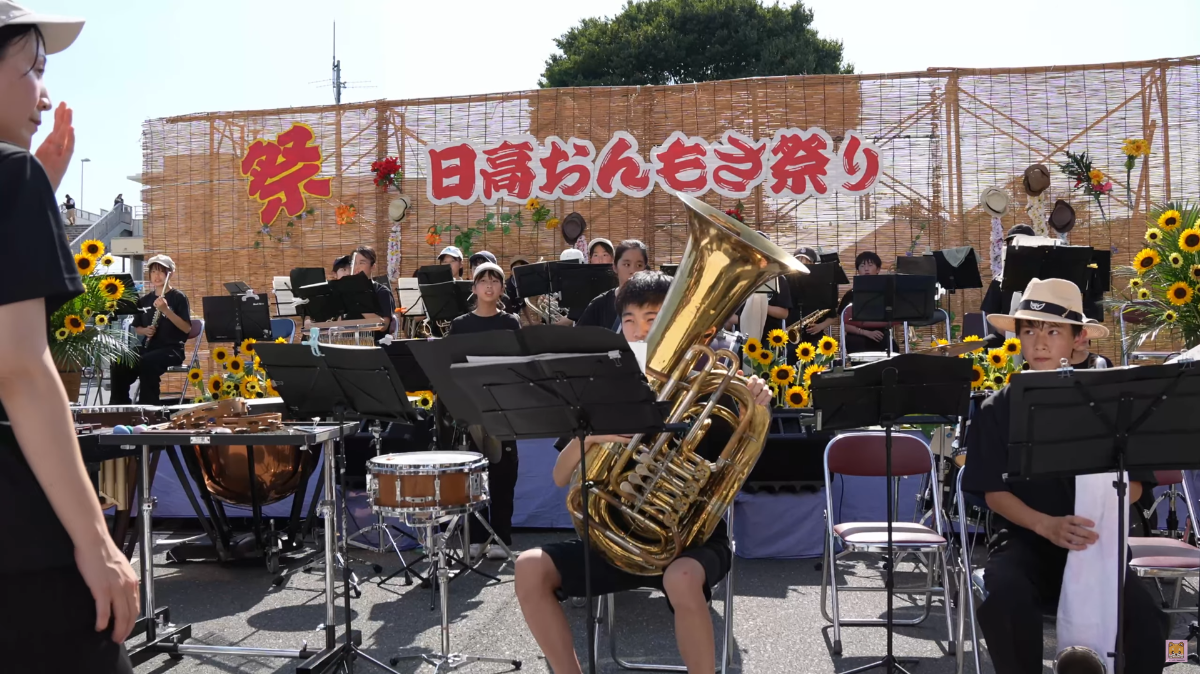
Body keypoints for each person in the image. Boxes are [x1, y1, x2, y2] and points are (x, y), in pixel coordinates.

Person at [515, 270, 774, 674]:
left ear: (676, 322)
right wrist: (591, 438)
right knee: (528, 566)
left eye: (652, 319)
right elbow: (560, 477)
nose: (638, 330)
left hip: (689, 542)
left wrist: (757, 400)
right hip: (615, 538)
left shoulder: (712, 390)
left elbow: (743, 461)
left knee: (682, 577)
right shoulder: (605, 390)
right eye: (630, 320)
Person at [0, 9, 139, 672]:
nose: (46, 94)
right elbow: (20, 372)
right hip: (20, 546)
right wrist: (99, 542)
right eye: (33, 70)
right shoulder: (12, 179)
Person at [962, 278, 1168, 674]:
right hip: (1025, 544)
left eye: (1053, 330)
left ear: (1077, 338)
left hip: (1098, 547)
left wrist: (1097, 509)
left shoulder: (1115, 404)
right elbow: (992, 493)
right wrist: (1048, 526)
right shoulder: (995, 409)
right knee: (1004, 598)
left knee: (1146, 619)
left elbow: (1138, 485)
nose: (1038, 342)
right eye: (1028, 330)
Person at [446, 262, 522, 560]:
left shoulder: (511, 322)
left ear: (502, 288)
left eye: (495, 281)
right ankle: (476, 537)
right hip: (472, 406)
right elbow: (450, 365)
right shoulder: (461, 324)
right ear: (474, 288)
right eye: (483, 281)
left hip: (503, 405)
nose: (489, 286)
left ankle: (502, 536)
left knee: (505, 473)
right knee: (474, 473)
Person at [109, 254, 190, 405]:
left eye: (160, 272)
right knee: (120, 361)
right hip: (149, 347)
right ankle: (119, 404)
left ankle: (148, 406)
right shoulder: (144, 300)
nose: (156, 276)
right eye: (153, 272)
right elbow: (137, 327)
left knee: (147, 362)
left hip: (172, 349)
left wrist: (166, 310)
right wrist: (144, 331)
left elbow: (186, 328)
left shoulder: (178, 297)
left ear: (170, 274)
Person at [575, 238, 647, 331]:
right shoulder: (600, 304)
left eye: (639, 265)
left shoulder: (655, 304)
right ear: (615, 267)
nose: (632, 271)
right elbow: (579, 338)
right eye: (626, 264)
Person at [835, 251, 898, 354]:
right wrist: (866, 333)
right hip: (857, 335)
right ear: (858, 270)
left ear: (877, 269)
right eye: (862, 266)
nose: (866, 269)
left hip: (880, 334)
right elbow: (844, 324)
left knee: (893, 349)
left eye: (870, 265)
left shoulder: (886, 293)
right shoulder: (850, 294)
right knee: (856, 345)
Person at [350, 245, 396, 343]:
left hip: (374, 346)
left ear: (373, 267)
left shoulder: (382, 292)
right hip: (346, 344)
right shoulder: (345, 292)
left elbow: (384, 326)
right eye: (354, 263)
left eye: (362, 263)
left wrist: (358, 303)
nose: (356, 268)